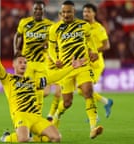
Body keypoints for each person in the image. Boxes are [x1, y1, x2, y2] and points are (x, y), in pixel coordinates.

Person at [0, 35, 86, 142]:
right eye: (20, 62)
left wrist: (71, 67)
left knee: (56, 138)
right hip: (21, 116)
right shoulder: (8, 79)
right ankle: (6, 137)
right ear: (14, 64)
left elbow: (53, 77)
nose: (23, 64)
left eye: (25, 62)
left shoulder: (33, 81)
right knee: (23, 139)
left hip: (36, 117)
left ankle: (33, 138)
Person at [48, 0, 103, 139]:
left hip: (83, 64)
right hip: (66, 68)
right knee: (67, 102)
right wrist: (56, 60)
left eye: (69, 12)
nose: (66, 14)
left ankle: (93, 127)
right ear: (61, 13)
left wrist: (94, 51)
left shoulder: (83, 26)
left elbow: (90, 41)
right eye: (64, 12)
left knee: (88, 92)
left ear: (74, 12)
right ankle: (56, 118)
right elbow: (51, 49)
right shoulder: (55, 29)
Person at [14, 0, 54, 115]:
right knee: (28, 91)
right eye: (36, 9)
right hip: (28, 63)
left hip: (42, 63)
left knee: (41, 91)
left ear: (43, 10)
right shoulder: (24, 22)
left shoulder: (50, 25)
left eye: (40, 9)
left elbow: (55, 41)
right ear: (32, 10)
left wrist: (49, 44)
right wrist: (16, 50)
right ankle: (29, 115)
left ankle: (36, 117)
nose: (37, 11)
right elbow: (18, 35)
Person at [82, 3, 113, 118]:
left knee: (84, 89)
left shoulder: (99, 28)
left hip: (96, 64)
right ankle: (105, 103)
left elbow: (107, 45)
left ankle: (95, 114)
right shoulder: (81, 27)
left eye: (89, 11)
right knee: (83, 90)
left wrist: (95, 51)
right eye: (85, 11)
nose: (86, 13)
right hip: (85, 63)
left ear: (94, 13)